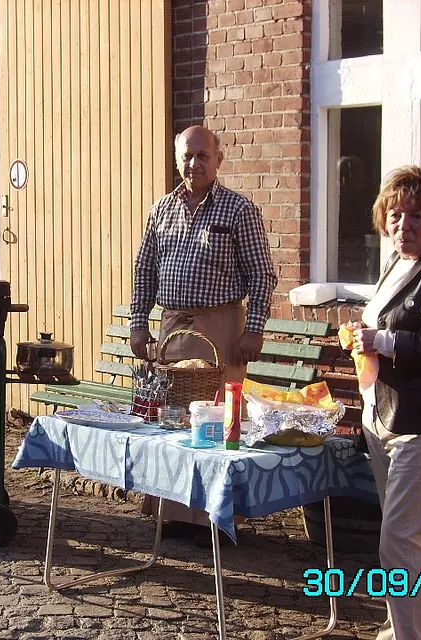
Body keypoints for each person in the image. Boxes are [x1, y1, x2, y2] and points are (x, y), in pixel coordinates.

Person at [130, 125, 277, 541]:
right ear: (178, 159)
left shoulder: (238, 210)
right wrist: (138, 323)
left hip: (221, 326)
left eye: (203, 156)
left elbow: (262, 275)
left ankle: (212, 518)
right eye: (187, 156)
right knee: (171, 421)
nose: (194, 164)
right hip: (173, 326)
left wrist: (254, 329)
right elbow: (145, 271)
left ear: (218, 159)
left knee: (215, 419)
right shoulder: (162, 209)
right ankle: (172, 513)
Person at [342, 165, 421, 640]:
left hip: (420, 424)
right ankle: (400, 629)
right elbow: (385, 327)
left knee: (401, 540)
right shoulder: (395, 264)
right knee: (402, 541)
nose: (403, 225)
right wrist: (362, 335)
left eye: (416, 215)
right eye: (395, 215)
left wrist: (384, 340)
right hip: (380, 415)